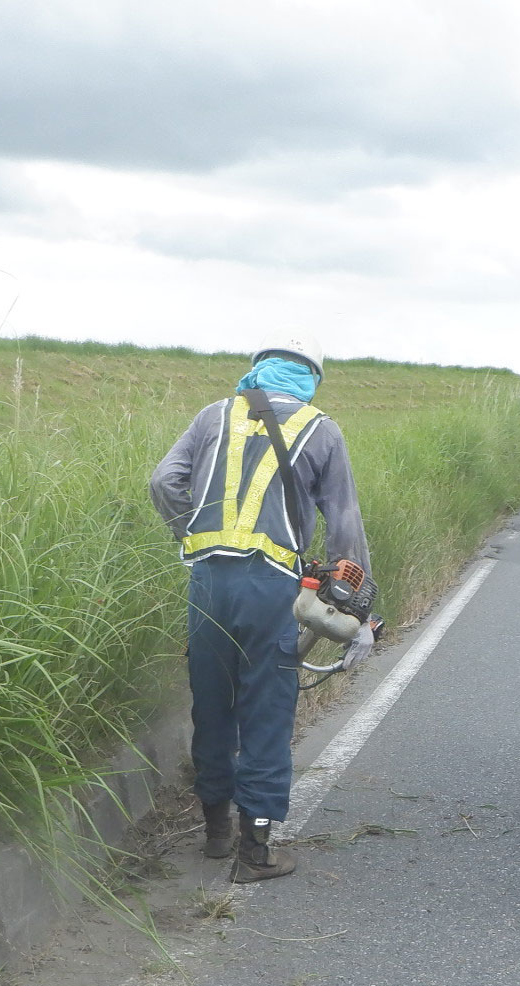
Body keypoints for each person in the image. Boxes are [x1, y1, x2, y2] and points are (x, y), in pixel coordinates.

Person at [149, 336, 373, 881]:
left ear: (258, 370)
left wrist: (193, 533)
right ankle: (257, 851)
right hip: (272, 585)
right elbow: (343, 521)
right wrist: (357, 605)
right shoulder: (321, 428)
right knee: (266, 709)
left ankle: (215, 833)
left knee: (213, 701)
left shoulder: (213, 415)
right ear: (311, 377)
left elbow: (163, 481)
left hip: (206, 581)